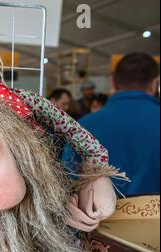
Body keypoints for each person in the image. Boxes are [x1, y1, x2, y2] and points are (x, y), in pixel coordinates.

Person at [62, 52, 160, 196]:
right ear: (154, 83)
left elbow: (66, 182)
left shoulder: (83, 127)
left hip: (100, 217)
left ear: (112, 82)